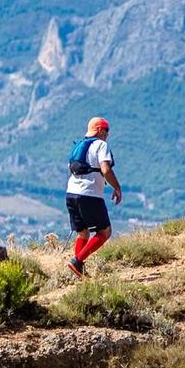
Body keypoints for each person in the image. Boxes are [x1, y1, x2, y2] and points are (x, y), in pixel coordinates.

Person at [66, 117, 122, 277]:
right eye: (106, 131)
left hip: (71, 193)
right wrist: (116, 187)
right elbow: (105, 169)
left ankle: (79, 271)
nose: (107, 135)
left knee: (82, 232)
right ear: (100, 130)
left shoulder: (78, 146)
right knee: (105, 232)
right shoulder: (101, 145)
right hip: (89, 195)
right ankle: (77, 261)